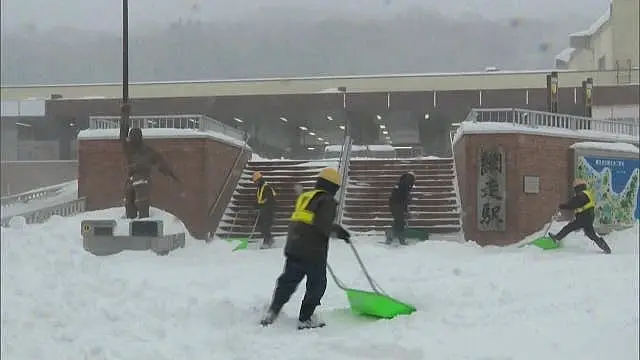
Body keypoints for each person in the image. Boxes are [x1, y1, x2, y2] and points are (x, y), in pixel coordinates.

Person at [260, 168, 351, 330]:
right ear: (333, 187)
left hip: (295, 247)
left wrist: (332, 228)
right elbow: (323, 226)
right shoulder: (327, 200)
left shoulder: (307, 196)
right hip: (313, 252)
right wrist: (339, 232)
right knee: (317, 285)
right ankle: (305, 318)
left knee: (287, 282)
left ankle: (272, 312)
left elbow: (310, 220)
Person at [120, 110, 179, 219]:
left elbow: (161, 164)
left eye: (134, 137)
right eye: (131, 137)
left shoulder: (148, 151)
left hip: (143, 179)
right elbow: (122, 134)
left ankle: (143, 222)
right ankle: (129, 221)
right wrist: (124, 115)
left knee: (141, 201)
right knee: (129, 202)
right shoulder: (129, 149)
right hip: (131, 179)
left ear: (140, 137)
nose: (132, 139)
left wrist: (171, 174)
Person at [548, 179, 611, 254]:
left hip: (584, 217)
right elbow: (574, 202)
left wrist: (562, 206)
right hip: (588, 217)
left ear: (578, 187)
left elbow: (574, 203)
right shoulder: (585, 194)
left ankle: (557, 238)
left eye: (575, 188)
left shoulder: (582, 195)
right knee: (591, 234)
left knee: (569, 227)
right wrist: (565, 205)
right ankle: (606, 248)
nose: (574, 190)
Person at [386, 172, 416, 245]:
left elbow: (403, 198)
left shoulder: (402, 184)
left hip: (396, 205)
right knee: (400, 222)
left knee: (398, 221)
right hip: (396, 205)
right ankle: (400, 239)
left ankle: (390, 237)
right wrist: (405, 207)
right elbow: (402, 197)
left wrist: (405, 208)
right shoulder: (403, 185)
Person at [252, 171, 277, 249]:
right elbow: (259, 200)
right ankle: (270, 239)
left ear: (259, 180)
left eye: (255, 181)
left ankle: (267, 242)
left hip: (269, 210)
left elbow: (269, 200)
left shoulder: (266, 187)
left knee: (265, 225)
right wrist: (255, 207)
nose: (255, 183)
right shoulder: (260, 187)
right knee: (261, 226)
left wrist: (263, 208)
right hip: (263, 209)